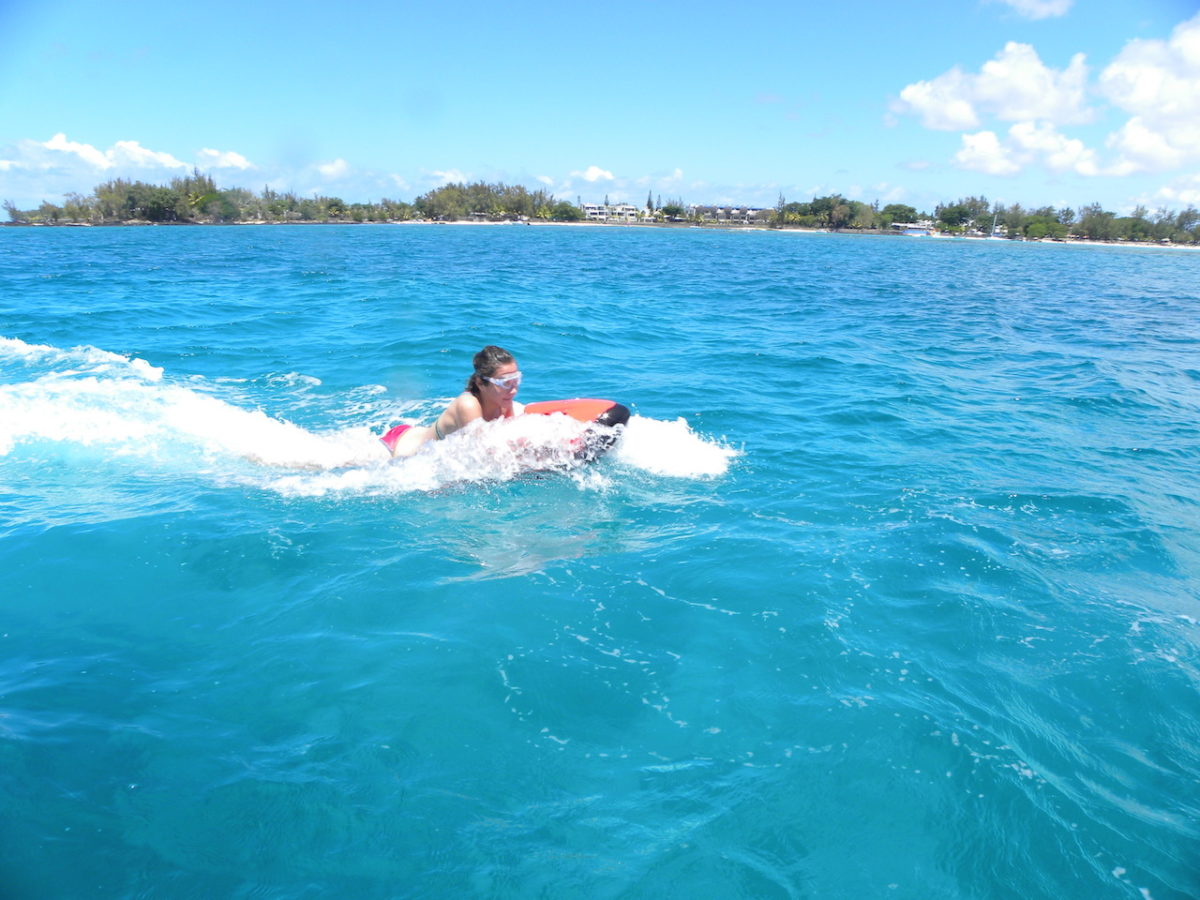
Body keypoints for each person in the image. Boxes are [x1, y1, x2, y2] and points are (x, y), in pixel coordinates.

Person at [382, 345, 525, 457]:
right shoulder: (468, 404)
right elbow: (484, 450)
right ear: (480, 383)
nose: (513, 390)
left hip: (418, 436)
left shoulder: (504, 401)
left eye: (516, 380)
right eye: (505, 383)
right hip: (401, 449)